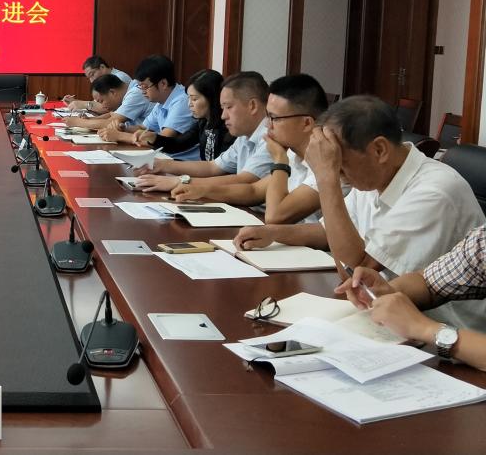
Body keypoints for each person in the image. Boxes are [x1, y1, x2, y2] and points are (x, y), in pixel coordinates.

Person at [234, 95, 485, 329]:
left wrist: (326, 178)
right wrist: (273, 233)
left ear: (379, 150)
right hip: (387, 312)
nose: (339, 173)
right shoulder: (377, 172)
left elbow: (357, 267)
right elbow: (327, 231)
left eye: (340, 164)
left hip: (448, 331)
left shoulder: (435, 191)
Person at [168, 74, 333, 224]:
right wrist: (202, 190)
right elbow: (253, 190)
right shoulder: (292, 154)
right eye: (268, 116)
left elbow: (275, 216)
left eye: (274, 118)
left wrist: (280, 161)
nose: (268, 125)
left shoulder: (328, 162)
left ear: (306, 123)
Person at [335, 228, 486, 369]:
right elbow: (428, 281)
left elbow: (359, 258)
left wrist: (424, 328)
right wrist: (388, 293)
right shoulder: (482, 240)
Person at [134, 71, 271, 189]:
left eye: (229, 107)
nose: (224, 115)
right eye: (223, 108)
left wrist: (179, 181)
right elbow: (213, 166)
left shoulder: (269, 137)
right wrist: (163, 165)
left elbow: (245, 180)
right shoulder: (244, 136)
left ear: (252, 105)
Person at [96, 55, 197, 159]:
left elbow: (163, 140)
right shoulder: (162, 100)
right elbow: (143, 127)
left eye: (145, 87)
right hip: (163, 157)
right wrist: (123, 128)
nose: (142, 91)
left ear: (163, 83)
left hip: (181, 162)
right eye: (140, 87)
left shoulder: (182, 101)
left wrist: (119, 136)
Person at [127, 69, 232, 161]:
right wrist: (154, 138)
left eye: (194, 99)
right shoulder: (203, 123)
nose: (189, 104)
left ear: (212, 98)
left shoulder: (228, 127)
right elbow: (178, 144)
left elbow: (219, 168)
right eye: (189, 98)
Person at [62, 56, 137, 113]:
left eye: (92, 74)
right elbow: (97, 104)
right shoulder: (105, 80)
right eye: (89, 78)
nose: (92, 81)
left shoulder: (119, 77)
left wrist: (83, 104)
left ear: (102, 67)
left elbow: (105, 108)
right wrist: (74, 101)